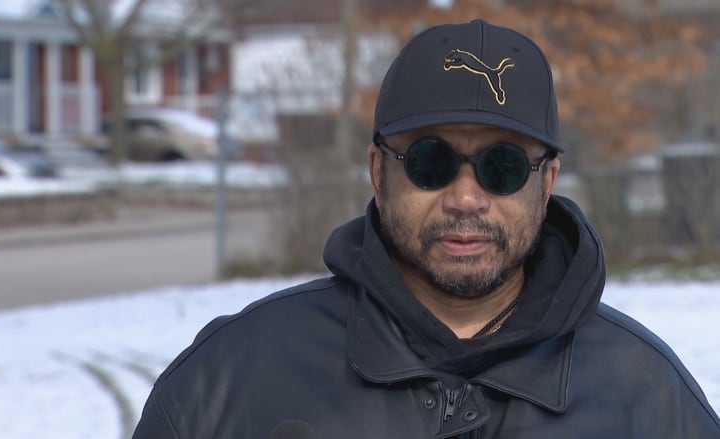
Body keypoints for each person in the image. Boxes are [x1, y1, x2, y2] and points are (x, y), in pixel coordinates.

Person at [132, 20, 720, 438]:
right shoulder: (231, 383)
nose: (466, 198)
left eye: (503, 166)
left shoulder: (648, 398)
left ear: (546, 183)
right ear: (377, 172)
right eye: (431, 162)